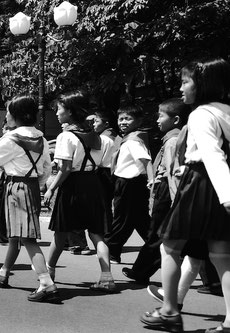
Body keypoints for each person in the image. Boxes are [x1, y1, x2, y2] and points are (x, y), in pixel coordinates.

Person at [141, 57, 230, 333]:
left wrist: (226, 196)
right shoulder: (226, 111)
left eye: (185, 81)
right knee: (221, 255)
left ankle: (169, 310)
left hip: (203, 183)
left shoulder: (201, 114)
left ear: (201, 84)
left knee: (170, 246)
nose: (181, 88)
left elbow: (212, 156)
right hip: (215, 181)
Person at [0, 95, 58, 302]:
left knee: (27, 238)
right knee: (17, 234)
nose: (6, 117)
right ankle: (4, 272)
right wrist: (37, 183)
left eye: (9, 113)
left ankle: (46, 283)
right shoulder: (41, 139)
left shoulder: (11, 139)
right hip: (31, 186)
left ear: (16, 116)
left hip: (15, 186)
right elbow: (46, 169)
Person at [43, 90, 117, 293]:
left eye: (59, 110)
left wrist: (50, 188)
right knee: (97, 234)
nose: (57, 114)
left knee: (61, 233)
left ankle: (48, 274)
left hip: (72, 186)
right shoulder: (99, 138)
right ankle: (107, 277)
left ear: (70, 112)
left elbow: (65, 169)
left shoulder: (66, 137)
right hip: (93, 185)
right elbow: (103, 164)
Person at [123, 99, 190, 283]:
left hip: (167, 190)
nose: (157, 120)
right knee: (190, 240)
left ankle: (140, 271)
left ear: (175, 119)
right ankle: (212, 280)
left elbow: (172, 172)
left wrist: (175, 198)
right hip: (168, 189)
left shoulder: (172, 141)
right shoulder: (175, 137)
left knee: (156, 234)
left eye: (161, 116)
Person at [105, 105, 155, 264]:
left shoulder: (133, 141)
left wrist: (152, 180)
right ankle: (158, 249)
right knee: (141, 221)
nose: (123, 122)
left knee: (121, 220)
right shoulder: (130, 138)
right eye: (121, 119)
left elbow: (146, 162)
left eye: (128, 119)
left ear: (139, 121)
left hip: (129, 184)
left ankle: (113, 252)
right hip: (130, 183)